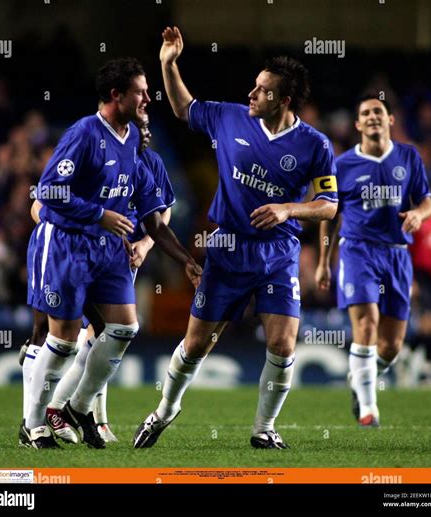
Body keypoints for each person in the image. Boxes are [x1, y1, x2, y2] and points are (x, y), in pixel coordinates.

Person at [133, 27, 338, 450]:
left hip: (278, 252)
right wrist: (168, 63)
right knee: (194, 347)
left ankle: (264, 428)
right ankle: (165, 411)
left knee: (282, 344)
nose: (251, 93)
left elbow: (329, 204)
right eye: (254, 86)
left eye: (261, 91)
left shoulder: (314, 145)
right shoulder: (228, 117)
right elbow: (183, 107)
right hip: (227, 247)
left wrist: (288, 209)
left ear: (282, 100)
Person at [24, 57, 201, 449]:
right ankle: (33, 424)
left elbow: (156, 221)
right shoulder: (84, 133)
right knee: (64, 340)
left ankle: (77, 407)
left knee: (124, 327)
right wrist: (99, 215)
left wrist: (187, 260)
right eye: (140, 91)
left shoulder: (133, 143)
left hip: (108, 251)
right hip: (68, 245)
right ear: (116, 95)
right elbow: (49, 191)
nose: (147, 99)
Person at [315, 94, 431, 427]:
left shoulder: (408, 157)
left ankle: (360, 378)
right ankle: (369, 409)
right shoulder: (341, 165)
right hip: (357, 250)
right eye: (365, 112)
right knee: (365, 324)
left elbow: (426, 200)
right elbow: (328, 214)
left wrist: (418, 215)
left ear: (390, 120)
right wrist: (324, 260)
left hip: (397, 254)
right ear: (357, 124)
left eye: (378, 112)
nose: (372, 117)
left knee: (392, 346)